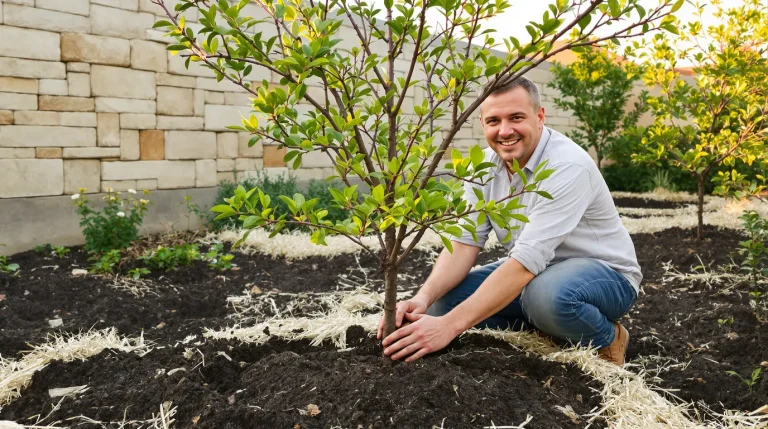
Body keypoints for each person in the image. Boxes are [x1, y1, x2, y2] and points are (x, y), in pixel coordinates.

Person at [376, 76, 641, 366]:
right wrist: (423, 299)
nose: (505, 131)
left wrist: (449, 327)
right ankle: (551, 329)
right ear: (482, 123)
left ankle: (607, 337)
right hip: (537, 276)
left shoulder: (567, 166)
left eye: (516, 117)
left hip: (605, 278)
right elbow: (464, 243)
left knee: (545, 297)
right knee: (443, 304)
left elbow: (526, 262)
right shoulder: (483, 168)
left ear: (539, 117)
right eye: (493, 121)